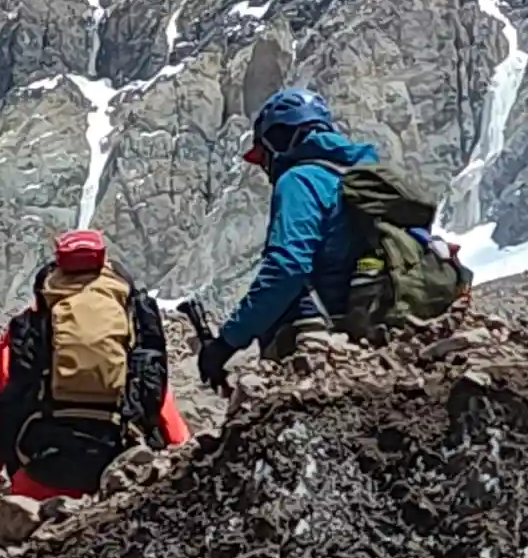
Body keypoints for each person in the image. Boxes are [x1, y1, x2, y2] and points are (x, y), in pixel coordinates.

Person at [194, 86, 460, 388]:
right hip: (376, 328)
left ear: (279, 139)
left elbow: (287, 268)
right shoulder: (360, 177)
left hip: (321, 336)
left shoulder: (299, 180)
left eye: (265, 153)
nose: (265, 167)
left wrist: (226, 344)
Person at [0, 229, 188, 534]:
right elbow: (161, 408)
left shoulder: (31, 328)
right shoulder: (129, 328)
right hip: (118, 485)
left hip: (37, 485)